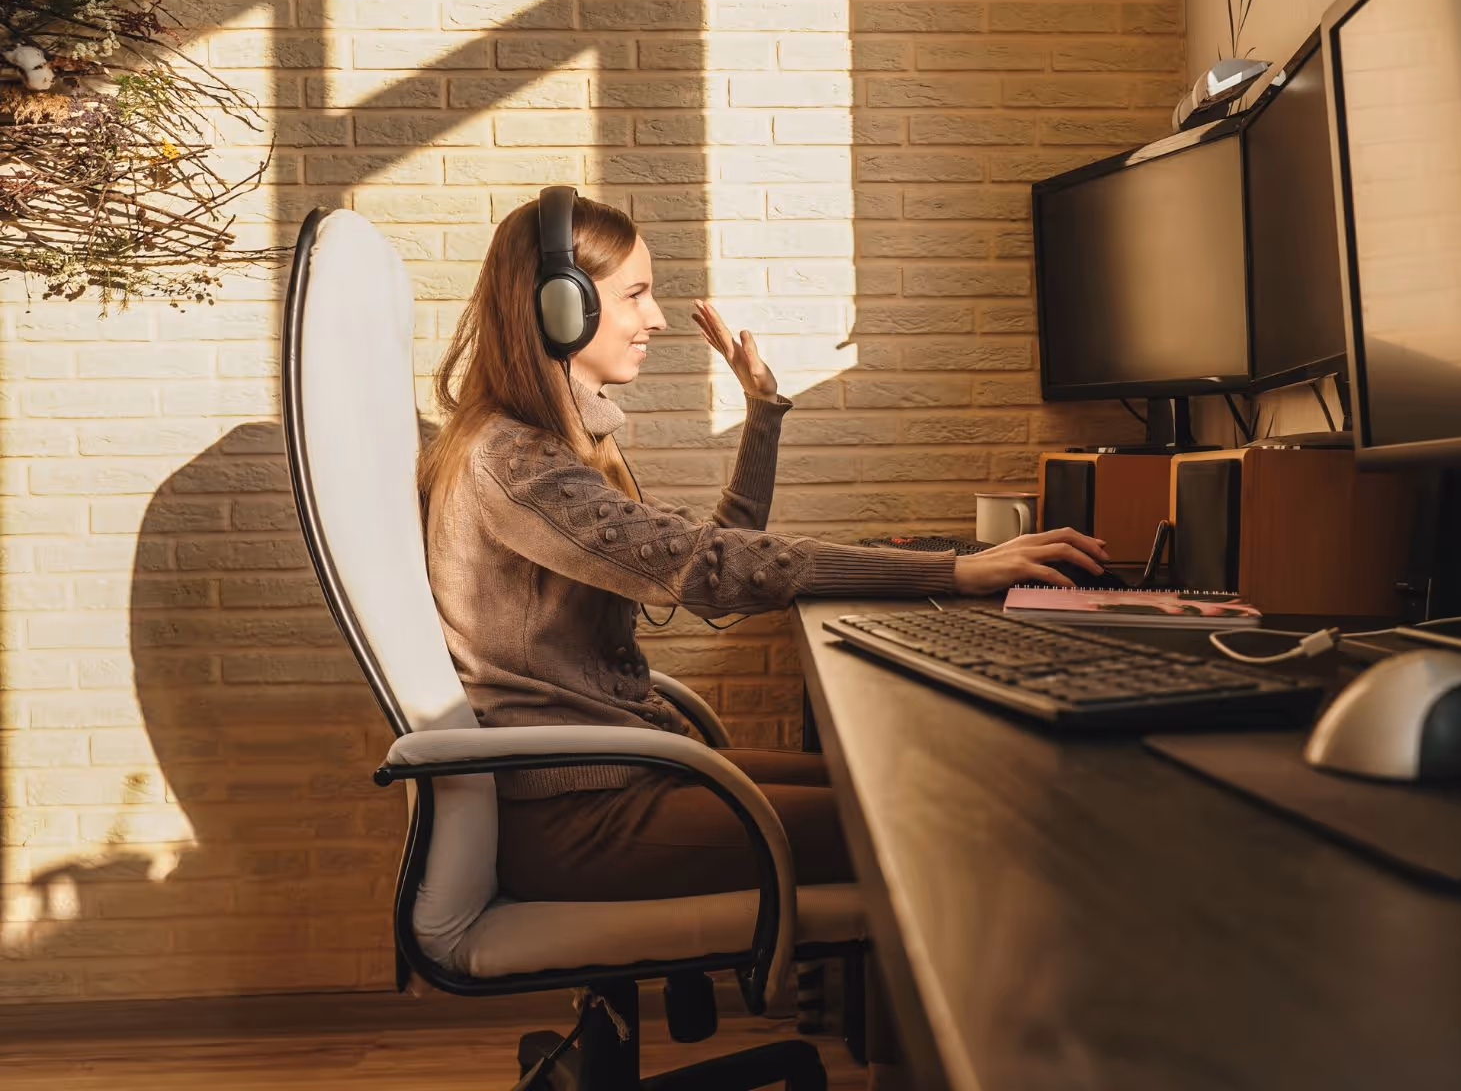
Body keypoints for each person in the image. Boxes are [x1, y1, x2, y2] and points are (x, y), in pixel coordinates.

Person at [418, 189, 1108, 905]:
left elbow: (707, 549)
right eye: (636, 295)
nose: (655, 317)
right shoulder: (520, 465)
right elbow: (711, 571)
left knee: (902, 779)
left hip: (621, 777)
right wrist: (956, 572)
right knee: (947, 817)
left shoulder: (544, 447)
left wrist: (762, 414)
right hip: (581, 818)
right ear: (562, 307)